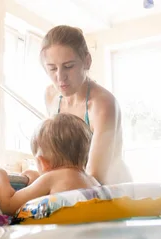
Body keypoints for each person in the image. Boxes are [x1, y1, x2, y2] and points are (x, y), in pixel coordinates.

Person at [40, 25, 132, 185]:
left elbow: (95, 176)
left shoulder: (103, 104)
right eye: (52, 68)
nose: (60, 77)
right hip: (79, 188)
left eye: (68, 66)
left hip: (115, 192)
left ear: (87, 62)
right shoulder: (51, 96)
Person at [0, 113, 99, 215]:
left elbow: (9, 205)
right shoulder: (92, 181)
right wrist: (37, 179)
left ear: (42, 162)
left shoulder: (51, 178)